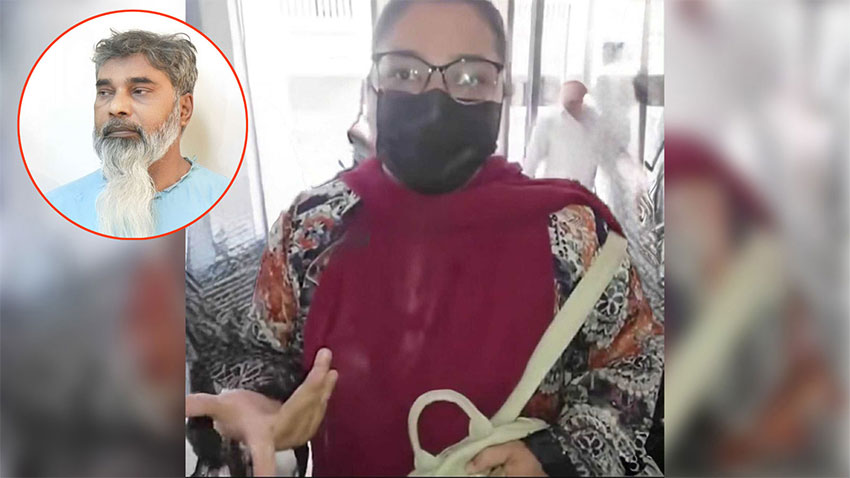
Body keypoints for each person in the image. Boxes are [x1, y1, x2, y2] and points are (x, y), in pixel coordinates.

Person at [186, 1, 663, 476]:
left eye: (470, 77)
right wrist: (261, 403)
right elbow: (263, 351)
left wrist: (550, 458)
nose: (435, 100)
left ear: (503, 92)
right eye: (405, 72)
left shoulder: (575, 235)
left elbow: (632, 362)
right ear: (372, 85)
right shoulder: (312, 229)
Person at [47, 30, 228, 238]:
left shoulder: (224, 204)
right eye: (105, 92)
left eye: (139, 91)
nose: (116, 107)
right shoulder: (57, 210)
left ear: (183, 110)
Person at [524, 80, 601, 189]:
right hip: (556, 191)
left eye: (578, 99)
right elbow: (533, 157)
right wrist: (525, 186)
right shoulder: (548, 120)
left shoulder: (593, 119)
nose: (574, 103)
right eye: (571, 100)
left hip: (585, 191)